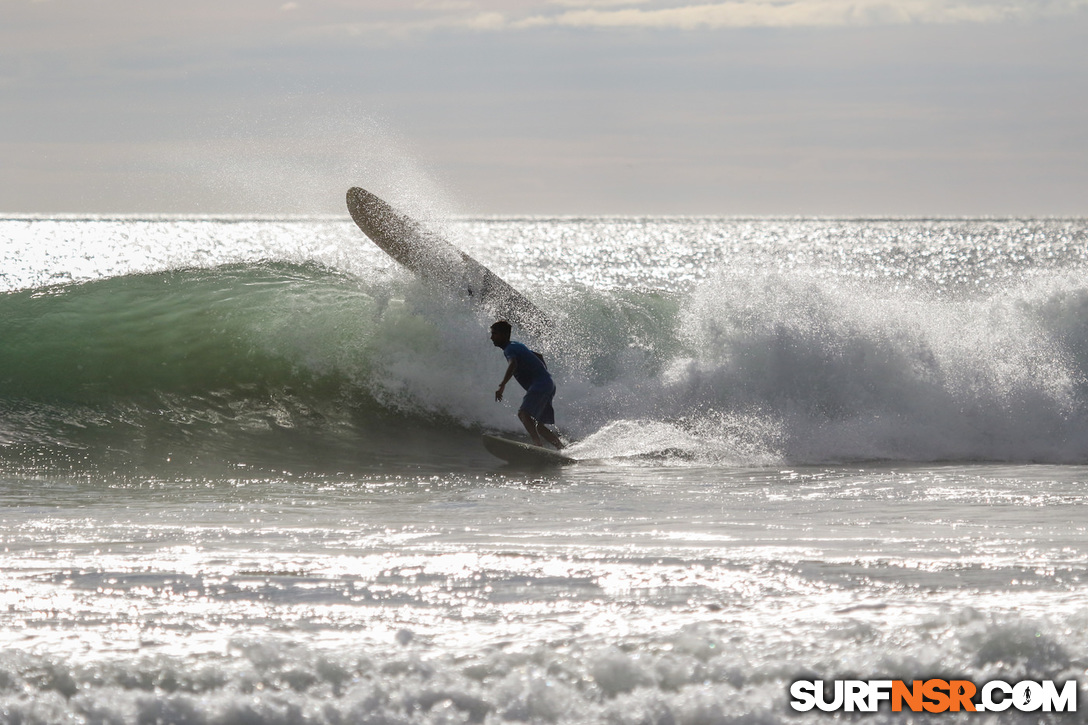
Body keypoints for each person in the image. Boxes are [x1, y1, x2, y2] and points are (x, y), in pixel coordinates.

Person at [490, 320, 564, 450]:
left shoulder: (509, 349)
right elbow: (539, 356)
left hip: (540, 385)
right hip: (549, 384)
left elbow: (513, 364)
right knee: (538, 425)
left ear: (504, 334)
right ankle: (562, 448)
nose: (492, 337)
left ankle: (537, 445)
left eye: (494, 334)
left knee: (523, 414)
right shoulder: (517, 345)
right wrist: (543, 374)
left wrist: (502, 385)